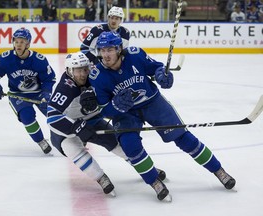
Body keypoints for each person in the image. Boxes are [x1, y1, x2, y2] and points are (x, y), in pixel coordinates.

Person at [87, 31, 236, 201]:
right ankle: (154, 181)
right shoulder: (96, 76)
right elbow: (104, 110)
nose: (106, 55)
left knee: (184, 138)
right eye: (102, 50)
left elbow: (157, 67)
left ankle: (219, 170)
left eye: (110, 50)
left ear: (119, 49)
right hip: (126, 113)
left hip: (152, 103)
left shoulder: (136, 55)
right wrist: (114, 106)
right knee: (130, 146)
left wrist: (161, 75)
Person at [47, 52, 166, 195]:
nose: (83, 74)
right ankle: (100, 177)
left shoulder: (95, 77)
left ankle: (148, 171)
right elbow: (53, 119)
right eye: (78, 70)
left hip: (92, 120)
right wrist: (76, 128)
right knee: (73, 150)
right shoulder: (65, 88)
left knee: (119, 144)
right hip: (66, 129)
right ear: (69, 71)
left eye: (85, 69)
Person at [0, 28, 56, 155]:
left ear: (28, 44)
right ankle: (40, 140)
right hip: (18, 95)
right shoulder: (6, 58)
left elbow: (49, 79)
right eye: (16, 41)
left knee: (54, 114)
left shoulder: (39, 60)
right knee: (27, 117)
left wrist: (46, 93)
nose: (18, 44)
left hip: (39, 93)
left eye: (22, 42)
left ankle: (68, 136)